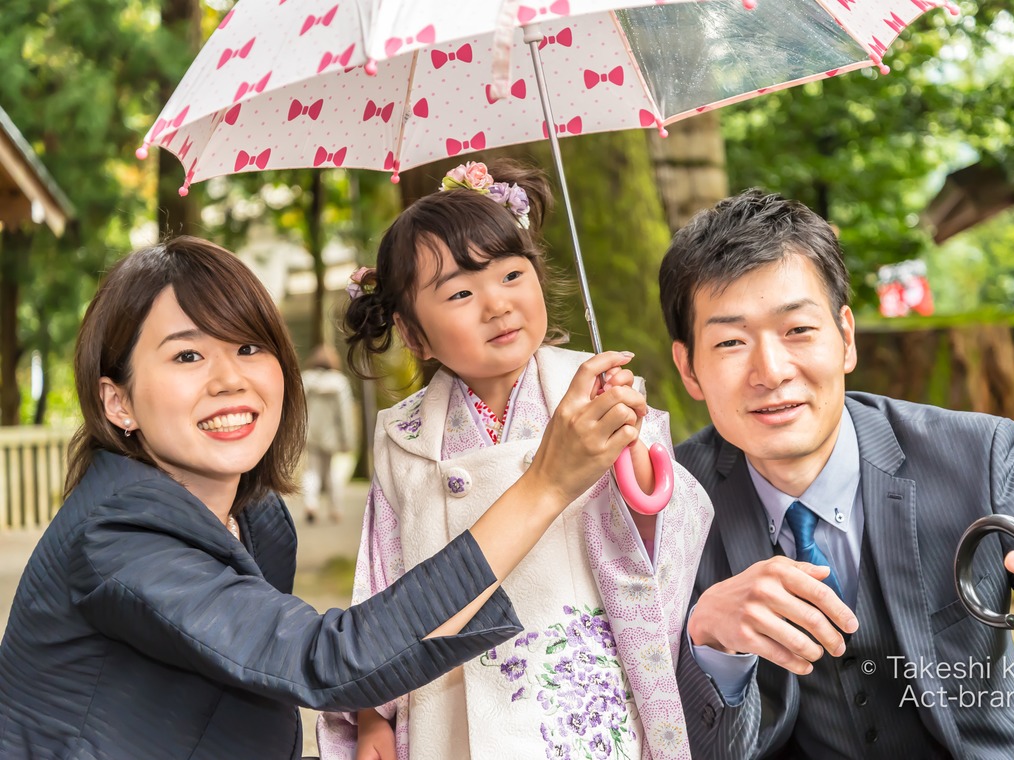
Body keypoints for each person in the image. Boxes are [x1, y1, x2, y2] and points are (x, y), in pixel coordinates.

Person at [0, 236, 652, 760]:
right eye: (188, 357)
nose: (230, 379)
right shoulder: (118, 538)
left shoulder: (259, 519)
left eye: (249, 346)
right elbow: (324, 660)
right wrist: (545, 485)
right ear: (119, 401)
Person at [657, 190, 1014, 759]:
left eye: (797, 331)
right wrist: (709, 644)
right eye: (732, 342)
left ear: (846, 338)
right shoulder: (667, 507)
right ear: (688, 368)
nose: (771, 371)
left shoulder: (975, 455)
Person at [317, 160, 713, 760]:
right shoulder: (403, 438)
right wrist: (373, 714)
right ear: (414, 334)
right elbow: (381, 582)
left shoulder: (589, 399)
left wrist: (641, 465)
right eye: (459, 292)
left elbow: (663, 532)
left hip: (575, 699)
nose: (496, 304)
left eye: (510, 274)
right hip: (447, 704)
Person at [300, 343, 356, 523]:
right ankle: (335, 509)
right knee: (332, 471)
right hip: (332, 436)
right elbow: (345, 413)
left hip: (310, 433)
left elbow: (298, 409)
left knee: (312, 471)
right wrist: (348, 439)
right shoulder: (340, 382)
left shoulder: (305, 379)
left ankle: (311, 505)